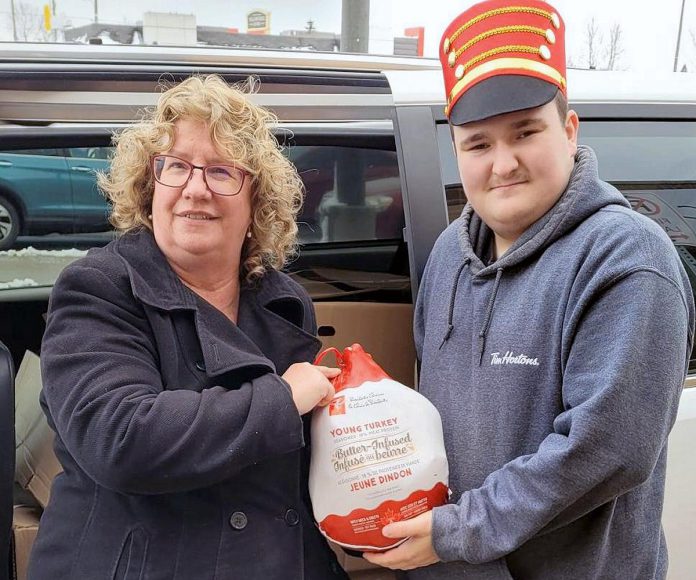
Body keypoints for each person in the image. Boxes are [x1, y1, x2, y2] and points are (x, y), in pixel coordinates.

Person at [364, 1, 695, 578]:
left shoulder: (626, 259)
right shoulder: (449, 253)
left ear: (569, 131)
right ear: (457, 152)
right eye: (479, 144)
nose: (504, 163)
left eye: (525, 132)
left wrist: (455, 532)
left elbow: (605, 451)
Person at [28, 75, 348, 580]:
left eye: (222, 172)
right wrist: (281, 400)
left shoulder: (285, 302)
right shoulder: (97, 288)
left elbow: (290, 482)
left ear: (255, 202)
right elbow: (121, 440)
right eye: (176, 166)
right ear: (149, 187)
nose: (195, 188)